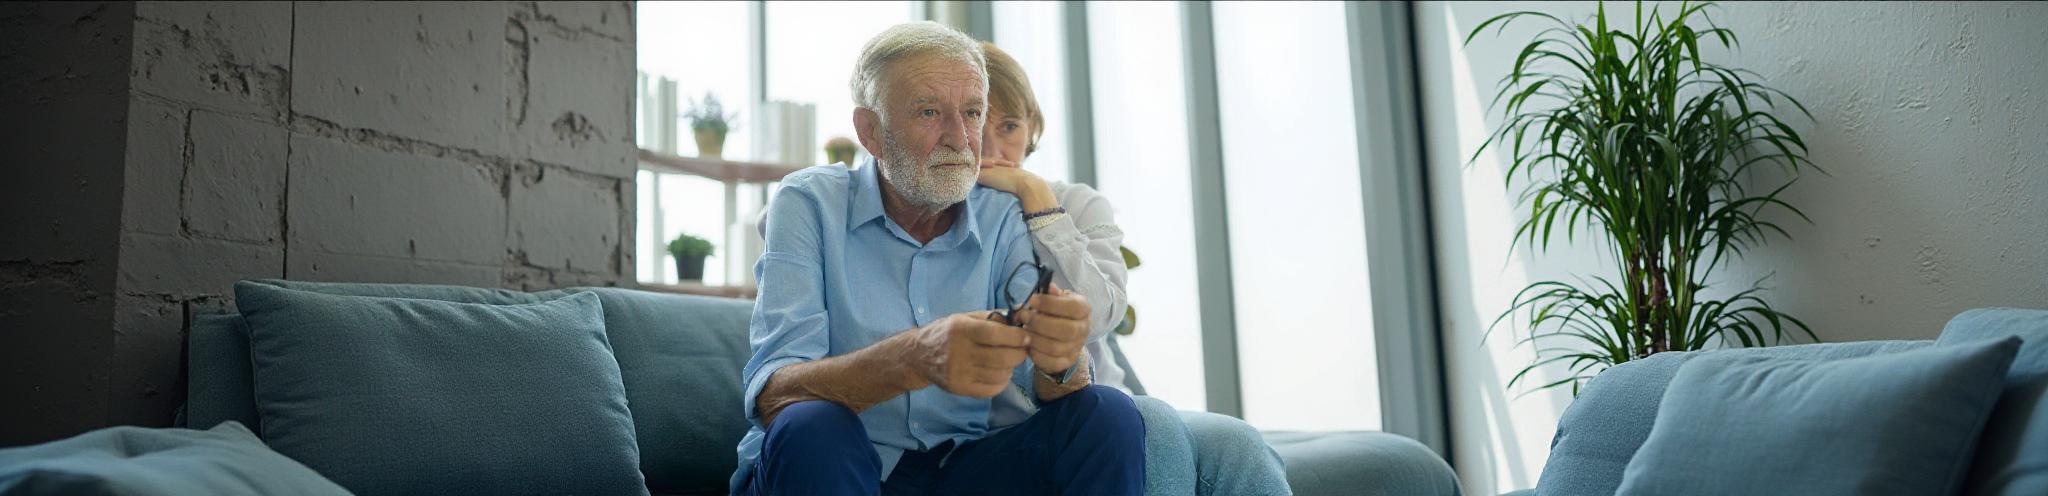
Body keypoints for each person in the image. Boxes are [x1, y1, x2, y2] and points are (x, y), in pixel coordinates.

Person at [730, 22, 1145, 496]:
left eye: (971, 112)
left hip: (963, 467)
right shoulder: (808, 203)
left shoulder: (1001, 211)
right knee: (812, 425)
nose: (960, 138)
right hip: (840, 461)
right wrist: (915, 358)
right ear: (871, 131)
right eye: (929, 112)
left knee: (1107, 414)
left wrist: (1061, 360)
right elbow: (776, 397)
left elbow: (1042, 384)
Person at [974, 40, 1294, 495]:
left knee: (1238, 443)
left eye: (1010, 127)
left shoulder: (1076, 203)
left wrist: (1039, 203)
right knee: (1155, 422)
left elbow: (1100, 314)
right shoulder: (945, 218)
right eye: (978, 125)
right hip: (1022, 430)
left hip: (1108, 402)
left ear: (1033, 127)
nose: (995, 149)